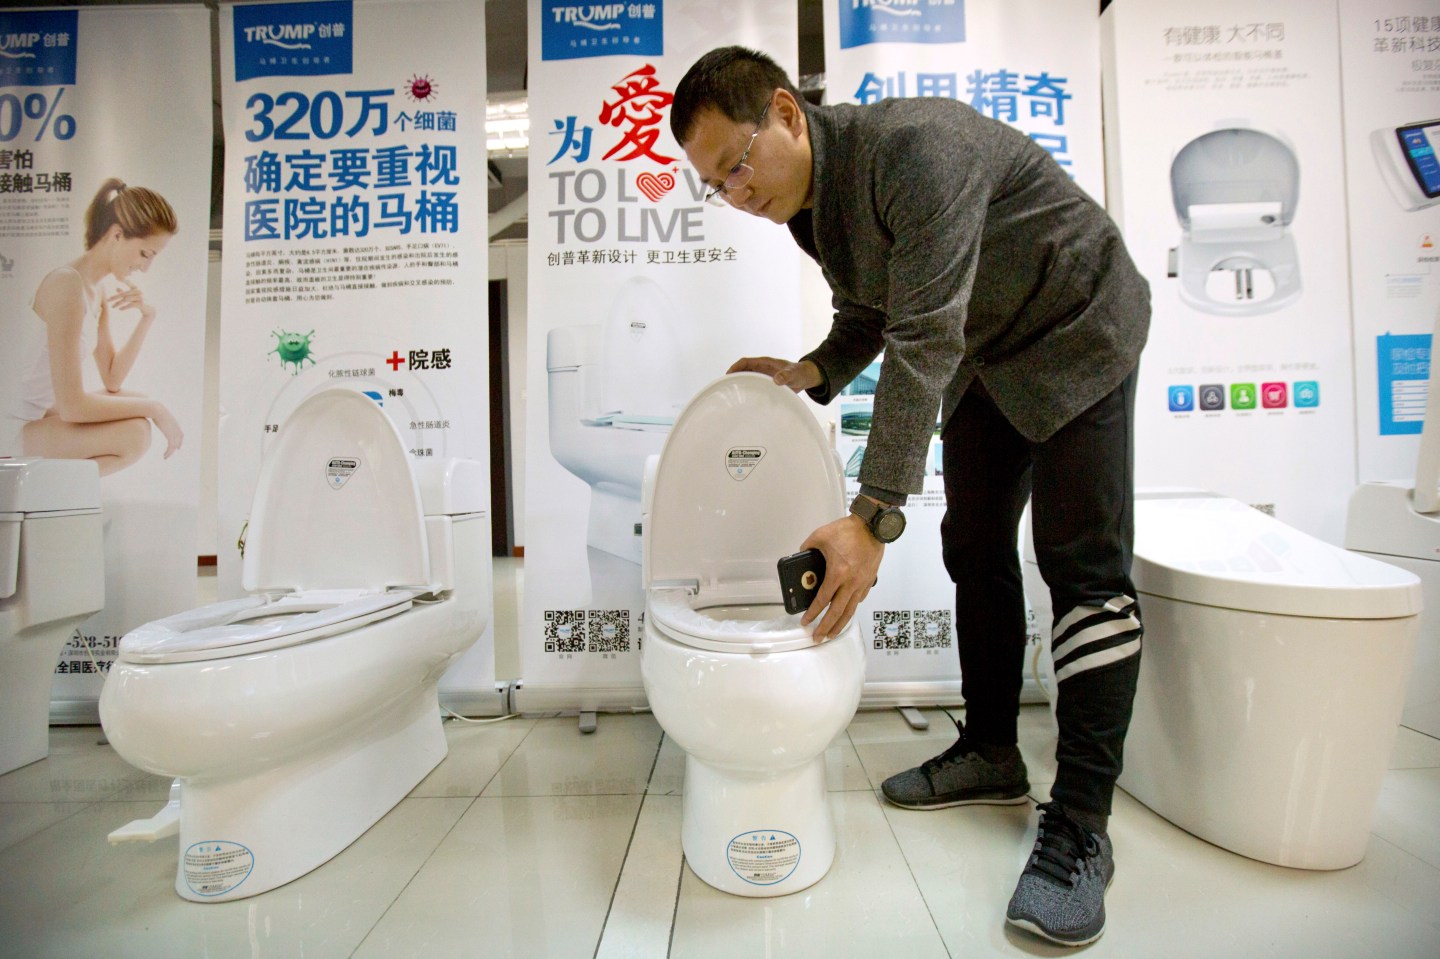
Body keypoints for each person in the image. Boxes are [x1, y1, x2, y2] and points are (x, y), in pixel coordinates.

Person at [671, 47, 1150, 947]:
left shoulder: (916, 151)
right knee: (973, 543)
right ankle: (993, 750)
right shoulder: (809, 209)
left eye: (737, 164)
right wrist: (813, 370)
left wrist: (872, 516)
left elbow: (923, 332)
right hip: (991, 348)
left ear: (786, 112)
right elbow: (873, 311)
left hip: (1078, 321)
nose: (736, 193)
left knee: (1081, 565)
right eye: (716, 185)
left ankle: (1082, 826)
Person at [15, 178, 182, 476]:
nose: (145, 268)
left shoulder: (96, 289)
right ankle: (44, 491)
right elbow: (72, 406)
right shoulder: (66, 284)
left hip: (40, 414)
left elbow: (112, 379)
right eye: (145, 254)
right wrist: (156, 408)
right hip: (14, 426)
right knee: (135, 434)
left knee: (135, 404)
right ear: (117, 234)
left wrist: (147, 317)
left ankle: (54, 491)